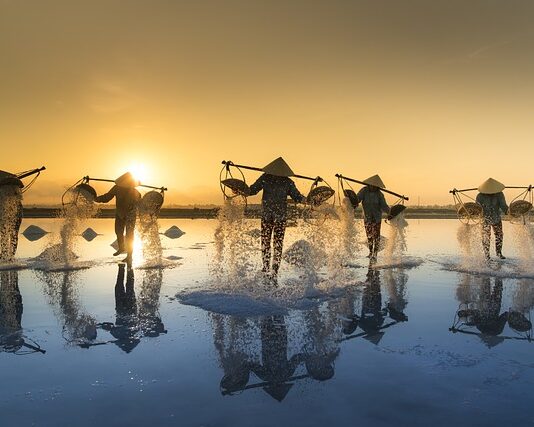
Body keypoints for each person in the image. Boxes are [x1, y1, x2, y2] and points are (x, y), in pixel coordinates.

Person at [248, 157, 306, 282]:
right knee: (275, 244)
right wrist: (241, 189)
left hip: (272, 217)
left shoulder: (270, 178)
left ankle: (270, 269)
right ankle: (271, 270)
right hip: (273, 217)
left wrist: (307, 200)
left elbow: (251, 190)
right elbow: (298, 197)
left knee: (267, 243)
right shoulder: (278, 180)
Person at [95, 172, 141, 263]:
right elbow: (106, 197)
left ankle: (129, 256)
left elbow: (140, 203)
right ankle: (121, 248)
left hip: (130, 215)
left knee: (129, 235)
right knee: (118, 232)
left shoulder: (135, 192)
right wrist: (96, 199)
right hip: (120, 213)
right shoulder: (117, 188)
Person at [355, 174, 389, 262]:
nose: (373, 187)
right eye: (372, 185)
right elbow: (357, 199)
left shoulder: (379, 194)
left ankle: (375, 253)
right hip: (367, 217)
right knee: (369, 236)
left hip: (377, 218)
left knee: (376, 236)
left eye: (375, 186)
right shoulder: (364, 191)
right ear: (369, 184)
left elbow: (384, 206)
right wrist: (351, 199)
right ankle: (370, 252)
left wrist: (391, 213)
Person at [476, 178, 508, 261]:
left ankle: (499, 253)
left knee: (499, 235)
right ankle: (487, 255)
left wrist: (509, 212)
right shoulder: (480, 196)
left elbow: (503, 206)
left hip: (496, 217)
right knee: (486, 236)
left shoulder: (499, 194)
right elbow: (477, 208)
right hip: (484, 219)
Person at [0, 173, 23, 262]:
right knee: (12, 235)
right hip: (10, 214)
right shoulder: (16, 196)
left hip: (10, 214)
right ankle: (8, 255)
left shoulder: (7, 198)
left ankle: (7, 255)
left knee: (6, 234)